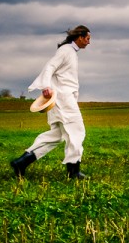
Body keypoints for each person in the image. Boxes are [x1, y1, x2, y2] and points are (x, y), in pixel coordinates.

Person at [10, 25, 92, 180]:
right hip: (63, 100)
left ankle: (21, 162)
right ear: (80, 37)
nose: (89, 42)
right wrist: (46, 86)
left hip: (61, 100)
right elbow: (50, 67)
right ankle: (73, 171)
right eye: (87, 38)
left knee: (57, 135)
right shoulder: (66, 51)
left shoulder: (70, 52)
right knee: (77, 131)